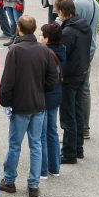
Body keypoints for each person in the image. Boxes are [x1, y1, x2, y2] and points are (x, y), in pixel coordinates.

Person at [0, 15, 60, 197]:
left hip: (20, 105)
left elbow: (7, 82)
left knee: (15, 144)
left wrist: (6, 101)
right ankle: (33, 184)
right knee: (36, 144)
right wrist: (41, 90)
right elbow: (53, 79)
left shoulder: (15, 51)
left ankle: (9, 180)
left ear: (19, 29)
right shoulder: (45, 51)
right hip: (38, 104)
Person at [56, 0, 92, 164]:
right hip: (82, 72)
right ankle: (78, 148)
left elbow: (62, 55)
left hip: (69, 76)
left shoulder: (68, 32)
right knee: (77, 112)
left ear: (63, 12)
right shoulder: (84, 26)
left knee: (67, 115)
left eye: (58, 11)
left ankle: (69, 153)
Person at [71, 0, 99, 141]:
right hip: (90, 48)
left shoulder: (76, 4)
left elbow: (68, 25)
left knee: (76, 89)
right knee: (85, 88)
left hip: (79, 51)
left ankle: (79, 128)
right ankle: (85, 127)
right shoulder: (95, 3)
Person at [40, 23, 65, 177]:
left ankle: (42, 170)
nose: (40, 37)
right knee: (52, 131)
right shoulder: (62, 49)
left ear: (48, 39)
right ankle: (55, 167)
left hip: (44, 95)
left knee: (41, 133)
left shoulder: (45, 54)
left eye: (42, 35)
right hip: (56, 93)